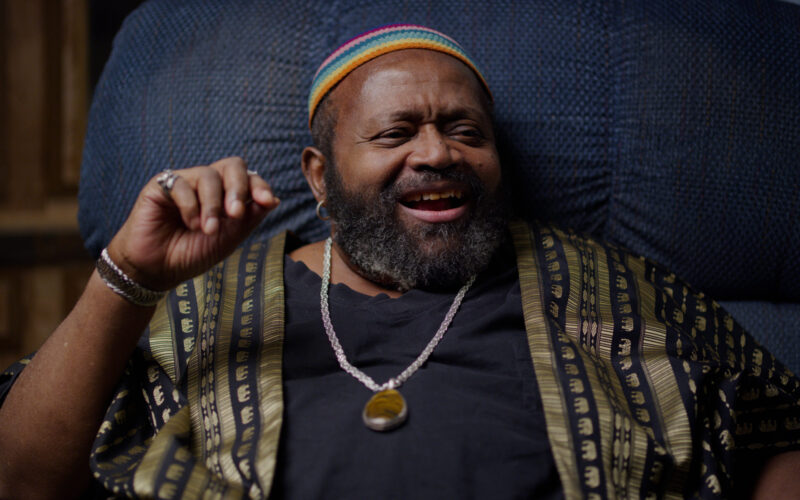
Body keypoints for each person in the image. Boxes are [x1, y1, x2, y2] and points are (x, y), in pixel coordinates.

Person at [0, 24, 799, 499]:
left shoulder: (606, 285)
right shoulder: (214, 301)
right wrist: (129, 275)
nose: (437, 153)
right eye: (394, 133)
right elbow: (21, 479)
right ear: (319, 176)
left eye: (465, 131)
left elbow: (778, 427)